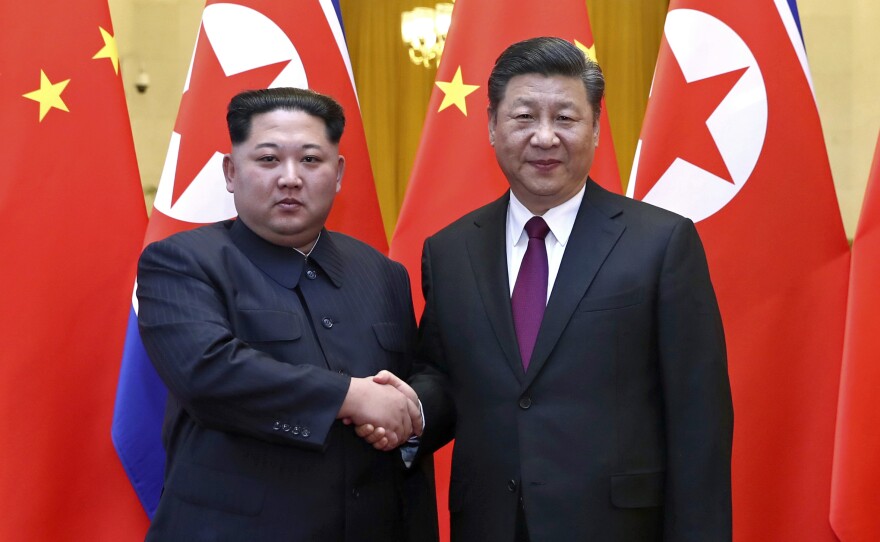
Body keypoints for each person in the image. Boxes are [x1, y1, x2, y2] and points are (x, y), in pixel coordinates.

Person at [382, 37, 734, 541]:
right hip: (488, 524)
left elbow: (699, 421)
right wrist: (409, 410)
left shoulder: (661, 243)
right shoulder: (450, 250)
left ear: (594, 128)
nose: (545, 138)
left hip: (618, 527)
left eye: (565, 119)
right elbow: (443, 376)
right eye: (524, 117)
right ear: (491, 126)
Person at [136, 87, 435, 541]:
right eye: (269, 159)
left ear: (337, 174)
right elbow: (207, 373)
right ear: (231, 172)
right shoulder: (180, 262)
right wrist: (349, 397)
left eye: (311, 160)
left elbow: (417, 381)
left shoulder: (384, 273)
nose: (291, 178)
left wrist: (410, 411)